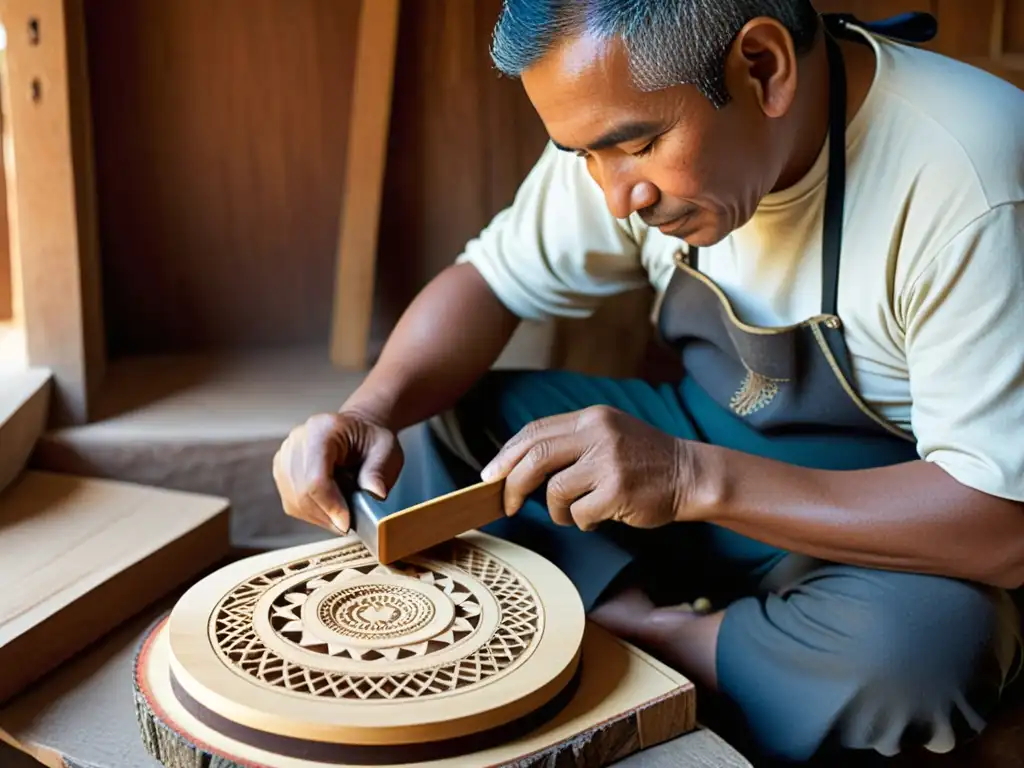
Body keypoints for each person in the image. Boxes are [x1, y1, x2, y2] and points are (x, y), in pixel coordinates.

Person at [273, 1, 1024, 762]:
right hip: (703, 435)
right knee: (453, 422)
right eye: (586, 158)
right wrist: (369, 409)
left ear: (763, 67)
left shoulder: (973, 173)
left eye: (636, 146)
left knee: (919, 653)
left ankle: (651, 640)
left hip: (891, 518)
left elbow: (1004, 528)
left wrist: (688, 478)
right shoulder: (621, 109)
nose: (615, 196)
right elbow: (490, 281)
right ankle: (658, 630)